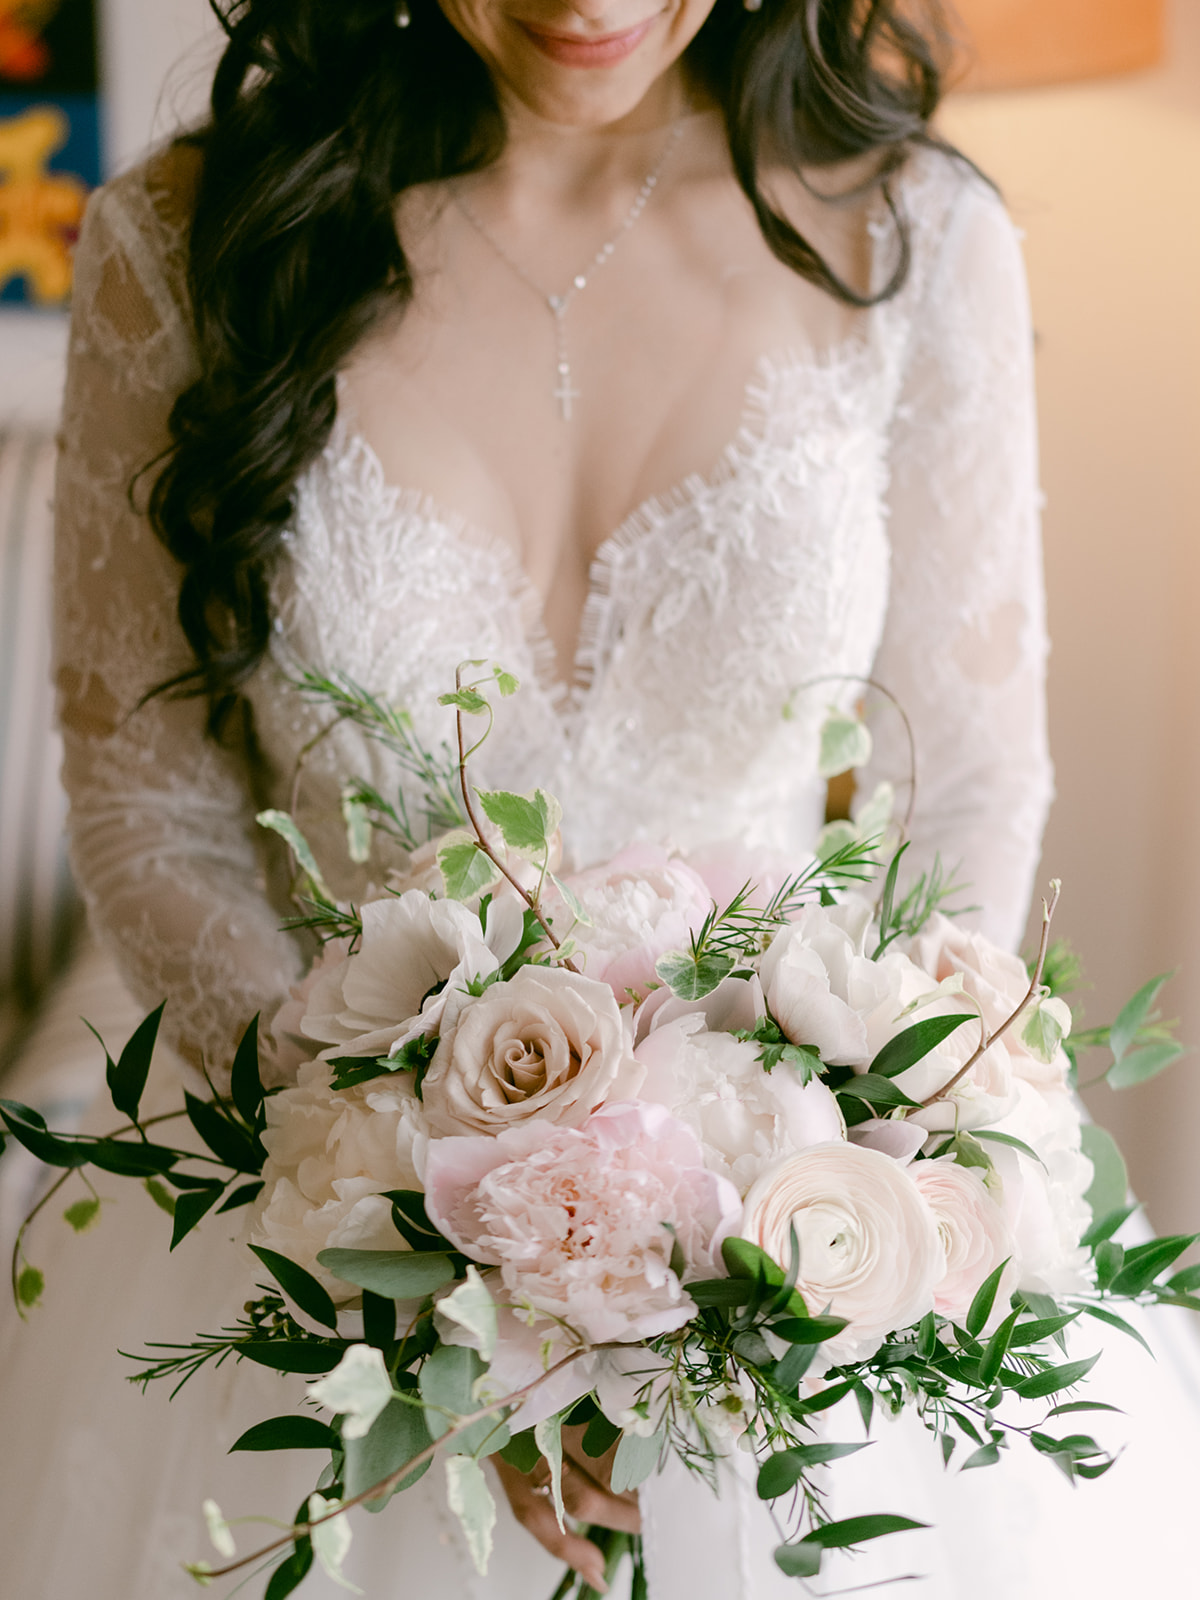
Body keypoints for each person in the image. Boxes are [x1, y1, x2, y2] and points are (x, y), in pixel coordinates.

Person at [4, 0, 1199, 1596]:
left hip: (788, 1273)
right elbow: (150, 799)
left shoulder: (914, 234)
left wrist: (838, 1186)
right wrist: (403, 1223)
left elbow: (966, 784)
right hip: (318, 1274)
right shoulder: (186, 238)